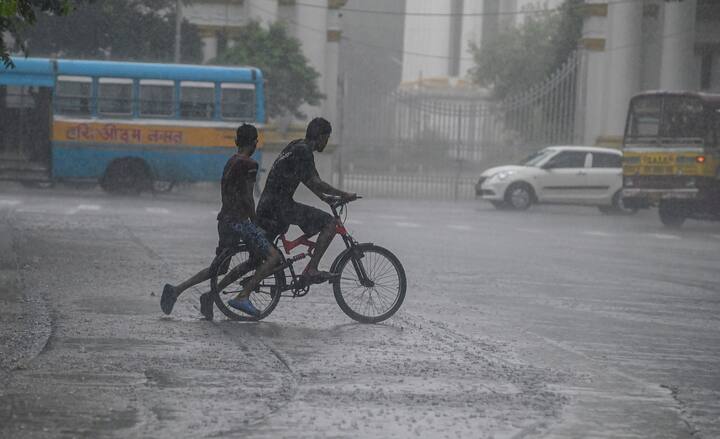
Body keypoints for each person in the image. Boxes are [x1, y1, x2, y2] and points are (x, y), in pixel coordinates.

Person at [160, 123, 281, 319]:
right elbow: (248, 198)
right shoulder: (250, 165)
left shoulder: (231, 161)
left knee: (219, 267)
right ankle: (243, 296)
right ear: (255, 143)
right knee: (273, 257)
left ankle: (177, 290)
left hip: (224, 220)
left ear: (236, 142)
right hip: (239, 222)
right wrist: (255, 223)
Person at [256, 117, 355, 284]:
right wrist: (343, 194)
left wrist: (324, 198)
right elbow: (315, 181)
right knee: (330, 223)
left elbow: (307, 179)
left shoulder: (296, 145)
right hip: (280, 207)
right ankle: (311, 270)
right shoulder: (304, 151)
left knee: (257, 258)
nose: (327, 141)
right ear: (322, 137)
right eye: (327, 137)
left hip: (268, 205)